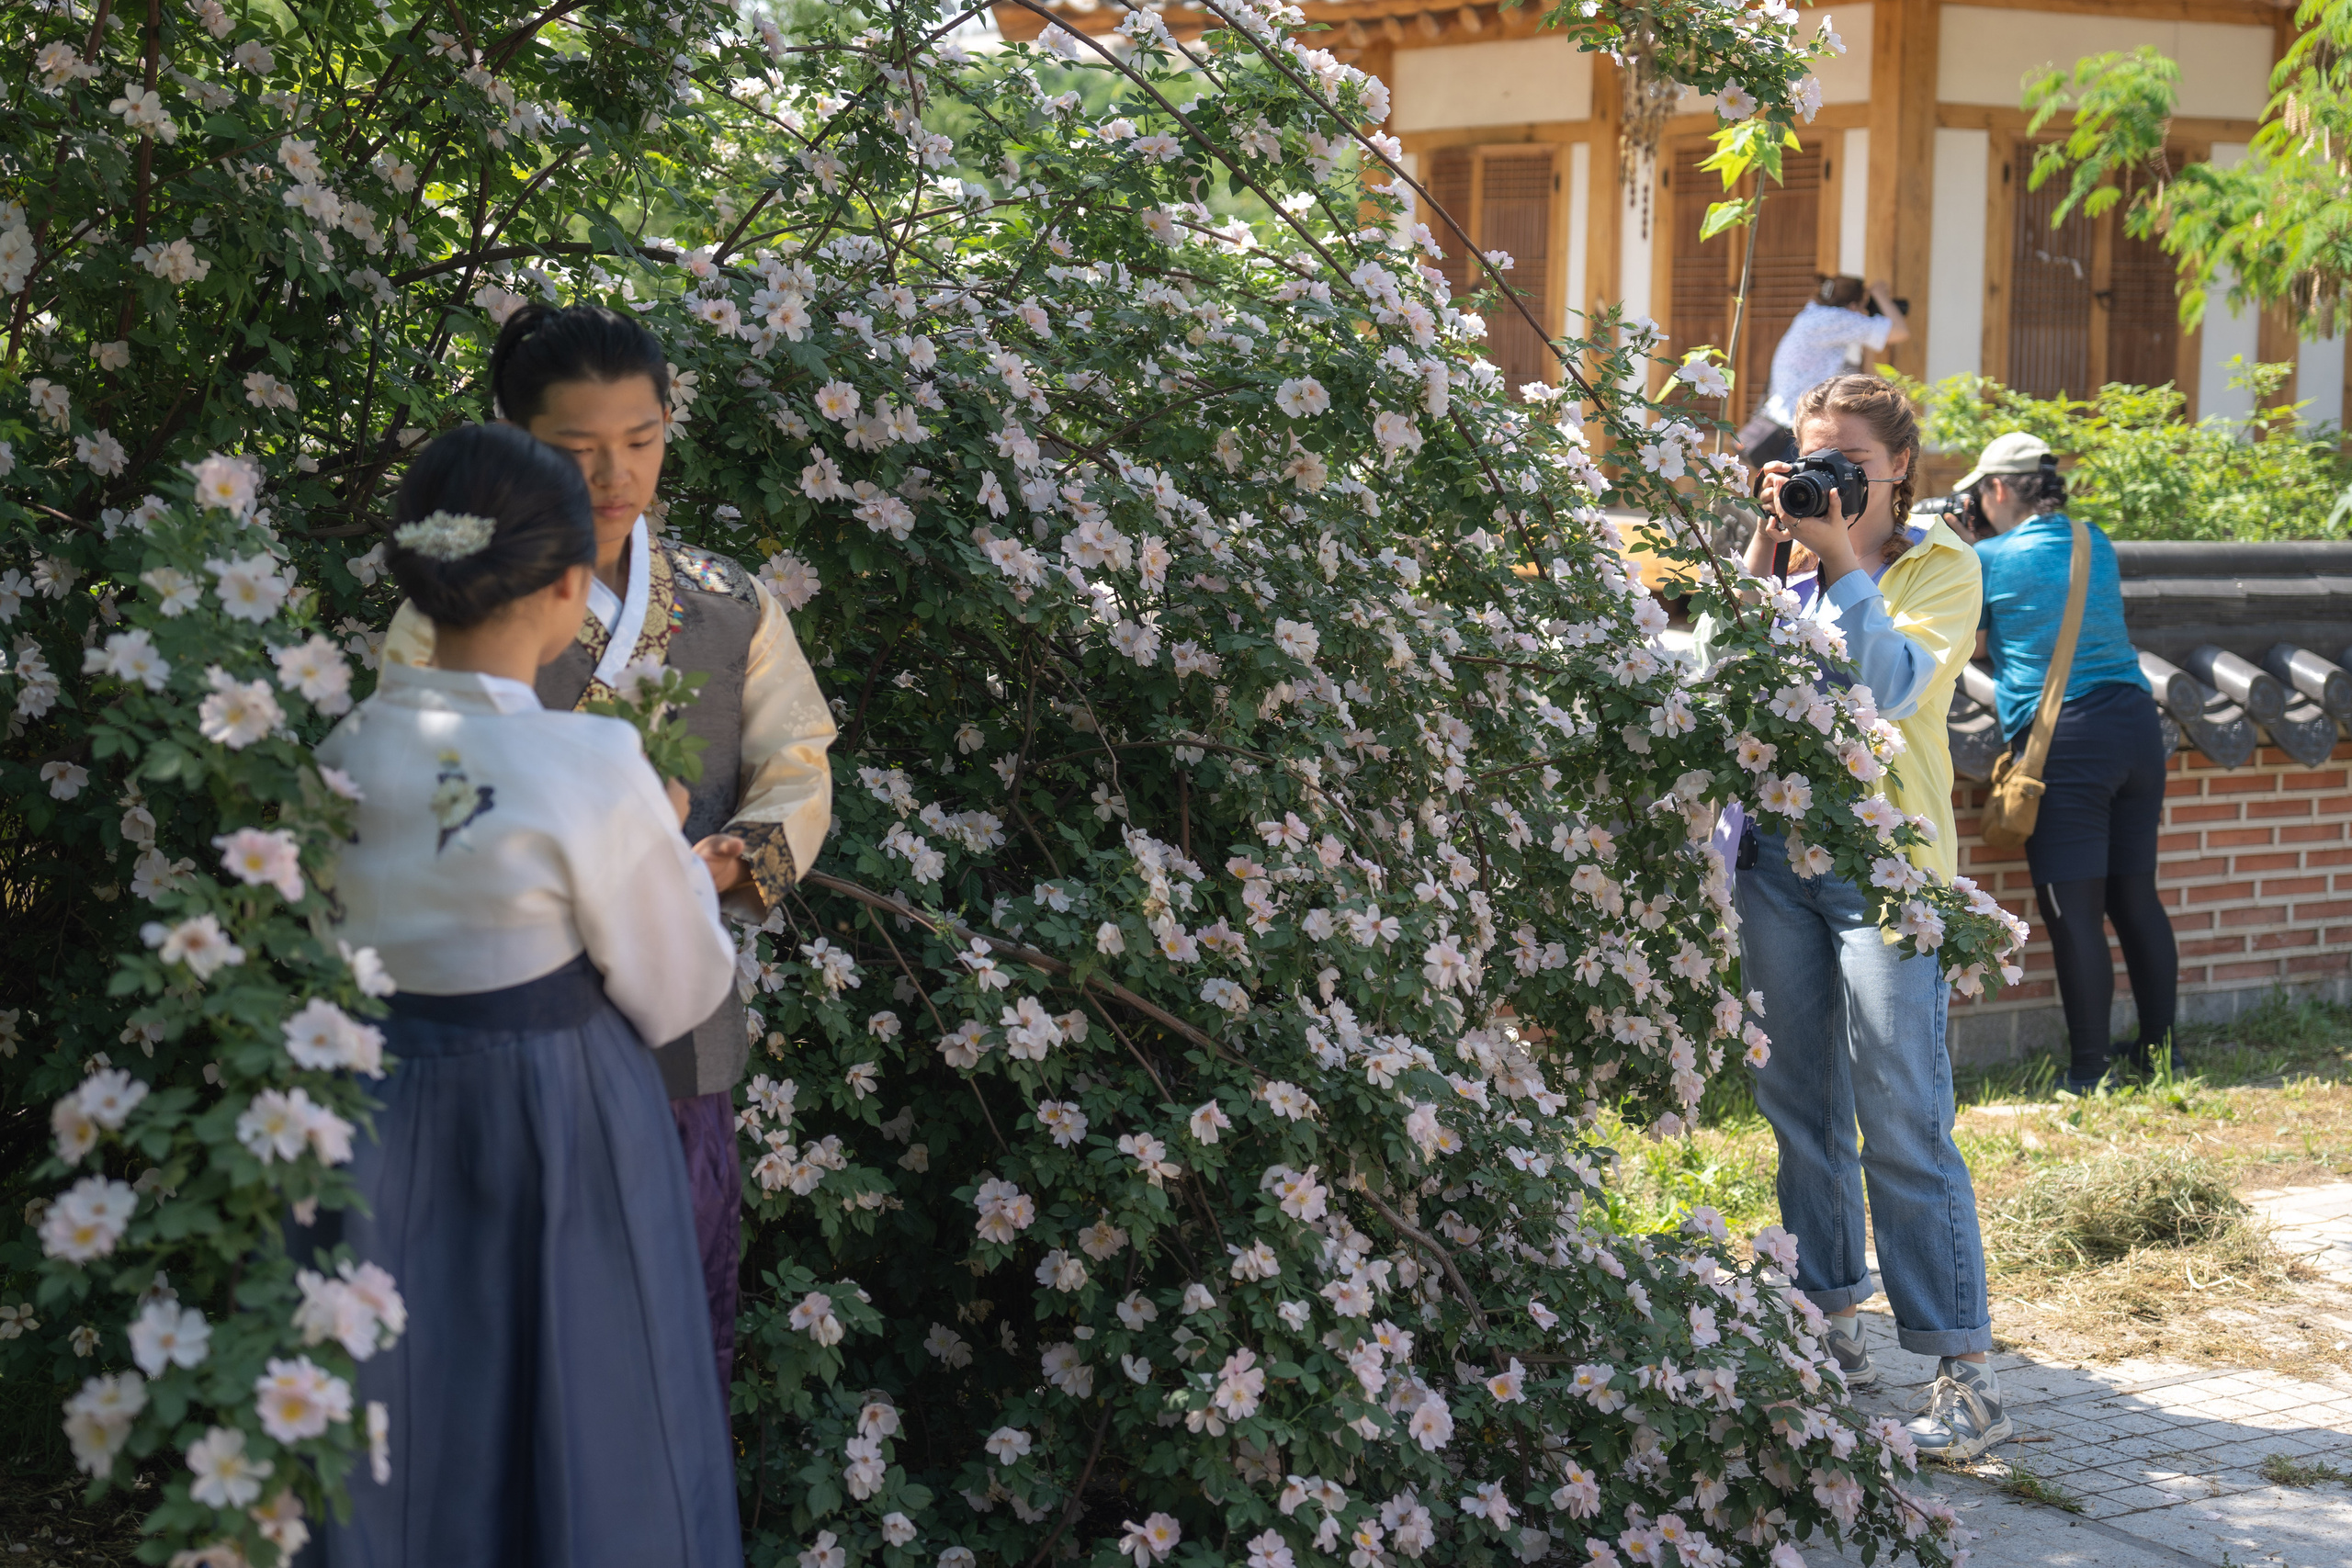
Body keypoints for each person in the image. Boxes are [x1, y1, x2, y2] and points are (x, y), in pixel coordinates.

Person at [384, 303, 835, 1404]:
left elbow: (799, 760)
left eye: (640, 441)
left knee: (670, 1330)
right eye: (577, 452)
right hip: (505, 1029)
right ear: (514, 438)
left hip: (677, 1029)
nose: (615, 475)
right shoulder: (449, 612)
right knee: (510, 1353)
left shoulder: (731, 606)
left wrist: (733, 862)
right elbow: (419, 805)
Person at [314, 423, 743, 1564]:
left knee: (401, 1417)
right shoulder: (592, 764)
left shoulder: (335, 755)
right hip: (558, 1123)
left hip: (367, 1124)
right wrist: (660, 824)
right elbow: (680, 983)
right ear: (568, 587)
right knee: (587, 1416)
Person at [1706, 373, 2007, 1461]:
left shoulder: (1942, 564)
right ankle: (1828, 1324)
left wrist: (1838, 559)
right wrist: (1762, 549)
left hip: (1887, 865)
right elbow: (1721, 679)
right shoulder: (1787, 564)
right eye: (1807, 459)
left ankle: (1960, 1371)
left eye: (1846, 465)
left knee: (1903, 1113)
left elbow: (1883, 690)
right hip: (1777, 857)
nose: (1824, 480)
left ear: (1898, 475)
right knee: (1797, 1103)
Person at [1964, 431, 2177, 1090]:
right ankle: (2159, 1053)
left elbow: (1966, 643)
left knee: (2073, 910)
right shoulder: (2096, 541)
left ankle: (2090, 1073)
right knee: (2135, 896)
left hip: (2070, 741)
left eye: (1981, 493)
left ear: (1997, 489)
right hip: (2138, 725)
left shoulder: (1991, 558)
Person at [1738, 276, 1910, 469]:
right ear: (1853, 306)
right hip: (1795, 429)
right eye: (1862, 307)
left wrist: (1867, 337)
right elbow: (1900, 331)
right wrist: (1880, 295)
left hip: (1789, 423)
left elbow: (1858, 373)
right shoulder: (1833, 319)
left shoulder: (1813, 314)